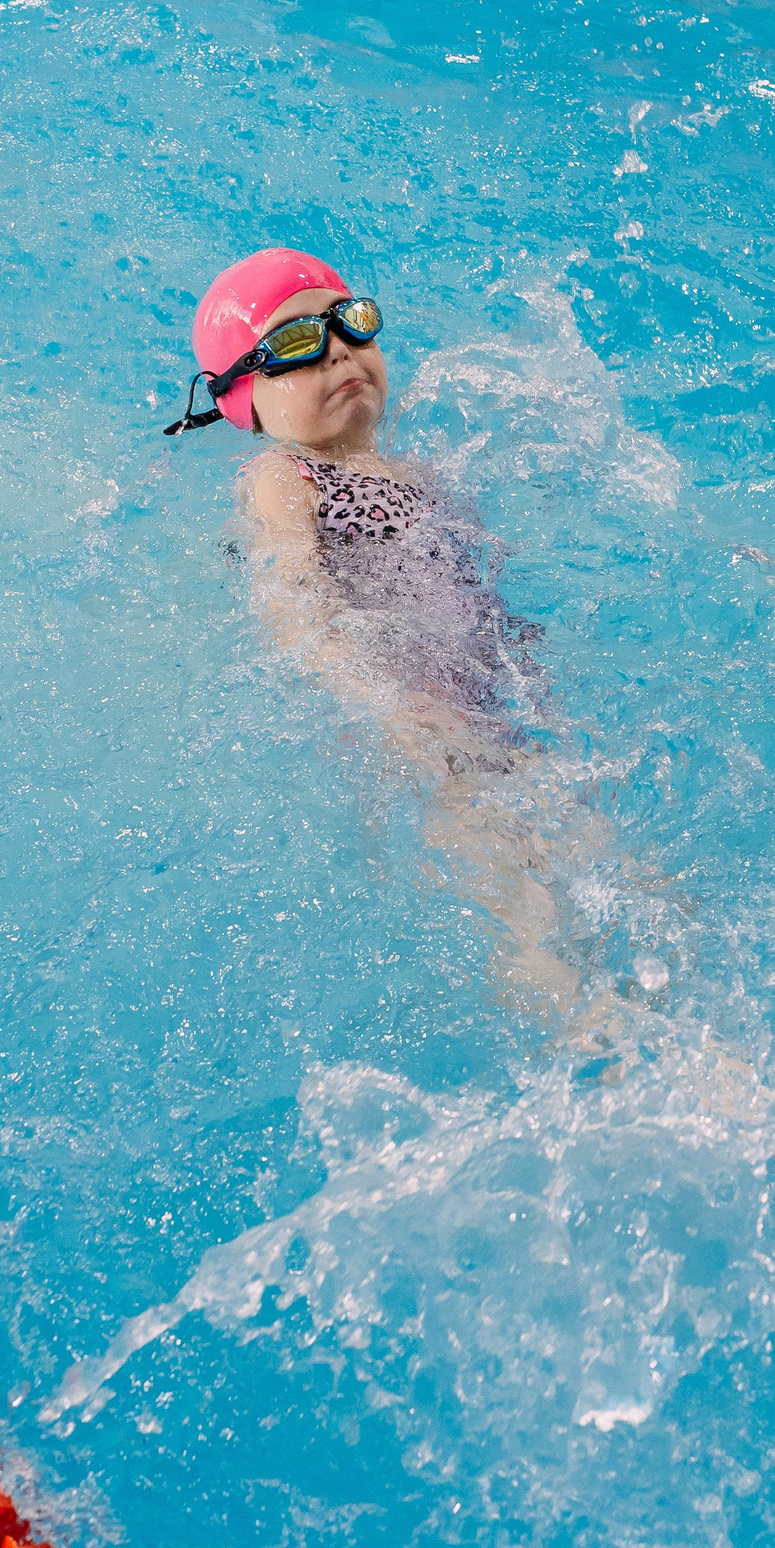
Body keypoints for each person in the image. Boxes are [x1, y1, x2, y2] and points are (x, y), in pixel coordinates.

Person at [165, 248, 599, 1019]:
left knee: (606, 861)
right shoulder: (281, 478)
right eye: (295, 343)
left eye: (351, 323)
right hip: (410, 723)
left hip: (495, 717)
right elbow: (290, 597)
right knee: (519, 902)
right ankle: (584, 1038)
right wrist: (380, 703)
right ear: (244, 400)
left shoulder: (425, 475)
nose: (335, 348)